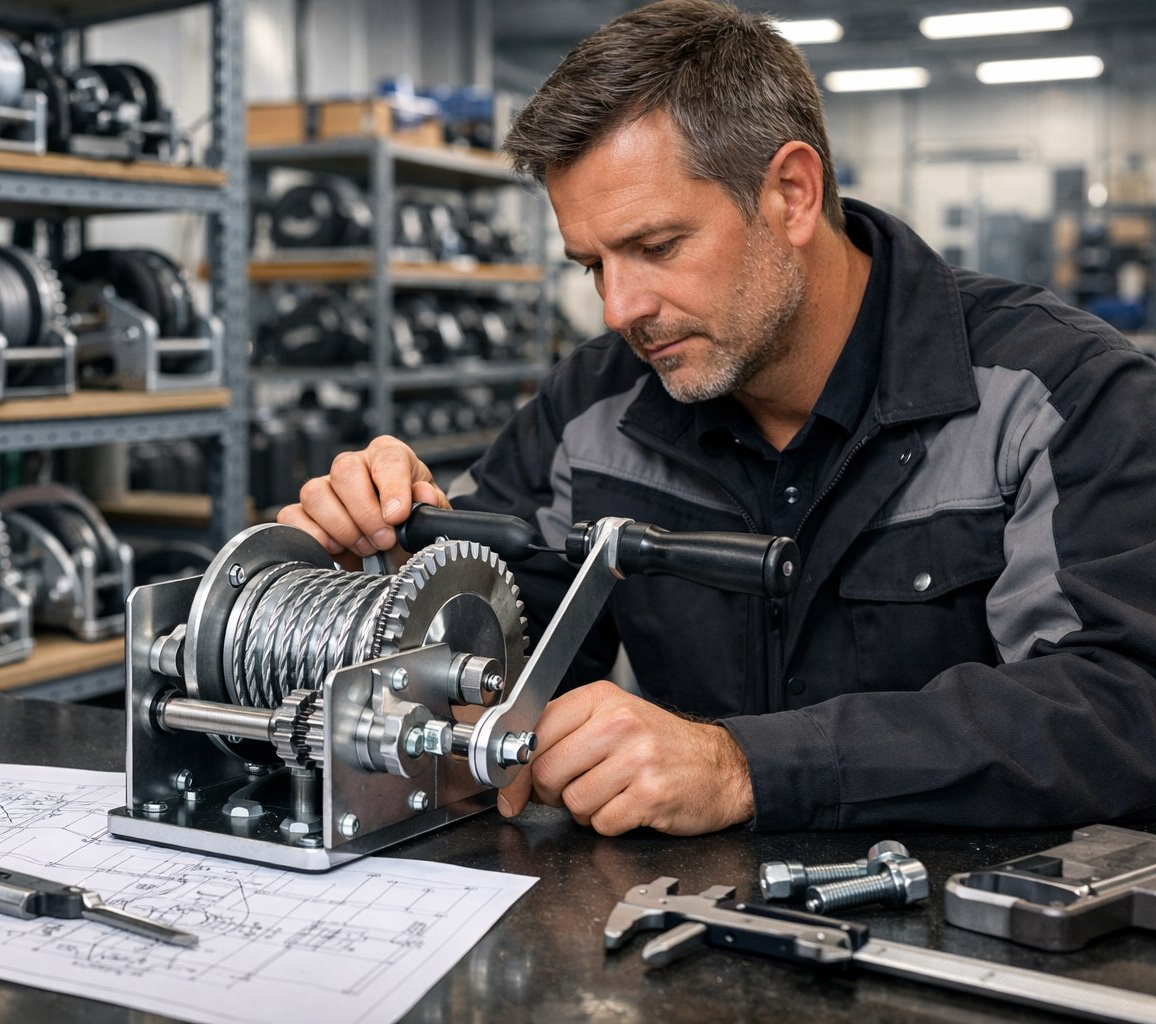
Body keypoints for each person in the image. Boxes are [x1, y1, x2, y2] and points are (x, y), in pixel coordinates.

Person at [278, 0, 1156, 835]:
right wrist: (389, 573)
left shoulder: (1058, 392)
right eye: (591, 265)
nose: (620, 308)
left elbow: (1118, 705)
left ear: (793, 194)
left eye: (656, 248)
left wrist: (745, 766)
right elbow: (498, 663)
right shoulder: (593, 405)